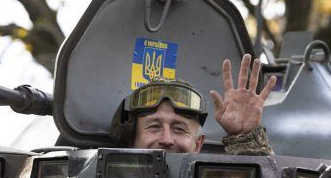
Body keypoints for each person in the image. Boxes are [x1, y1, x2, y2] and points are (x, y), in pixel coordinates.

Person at [110, 54, 277, 155]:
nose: (167, 140)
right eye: (154, 126)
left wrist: (244, 137)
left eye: (179, 129)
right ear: (131, 139)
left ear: (198, 144)